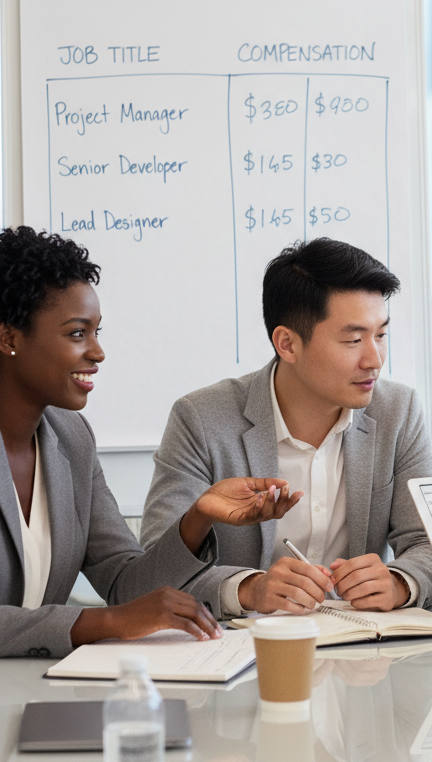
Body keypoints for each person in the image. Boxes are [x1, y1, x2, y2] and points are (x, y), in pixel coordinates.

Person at [0, 226, 300, 659]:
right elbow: (118, 612)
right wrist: (104, 622)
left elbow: (125, 584)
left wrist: (199, 516)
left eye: (97, 332)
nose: (98, 352)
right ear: (9, 337)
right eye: (77, 333)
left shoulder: (71, 439)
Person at [141, 238, 432, 618]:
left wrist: (401, 581)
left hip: (361, 655)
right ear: (287, 343)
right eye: (353, 340)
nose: (375, 359)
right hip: (245, 653)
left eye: (381, 335)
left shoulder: (397, 411)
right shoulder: (201, 418)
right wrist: (247, 589)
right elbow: (154, 568)